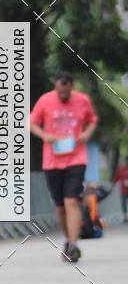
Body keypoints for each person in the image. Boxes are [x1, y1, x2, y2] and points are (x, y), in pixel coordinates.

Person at [30, 71, 98, 262]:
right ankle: (68, 239)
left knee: (71, 202)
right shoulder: (45, 100)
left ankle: (75, 244)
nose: (63, 96)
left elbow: (92, 120)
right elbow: (31, 123)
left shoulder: (83, 100)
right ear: (56, 87)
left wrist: (86, 134)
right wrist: (45, 136)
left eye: (66, 92)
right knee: (60, 206)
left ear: (71, 87)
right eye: (60, 92)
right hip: (52, 160)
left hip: (76, 158)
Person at [113, 156, 128, 223]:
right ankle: (124, 217)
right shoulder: (120, 169)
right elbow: (117, 178)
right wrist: (113, 184)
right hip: (123, 189)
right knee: (123, 203)